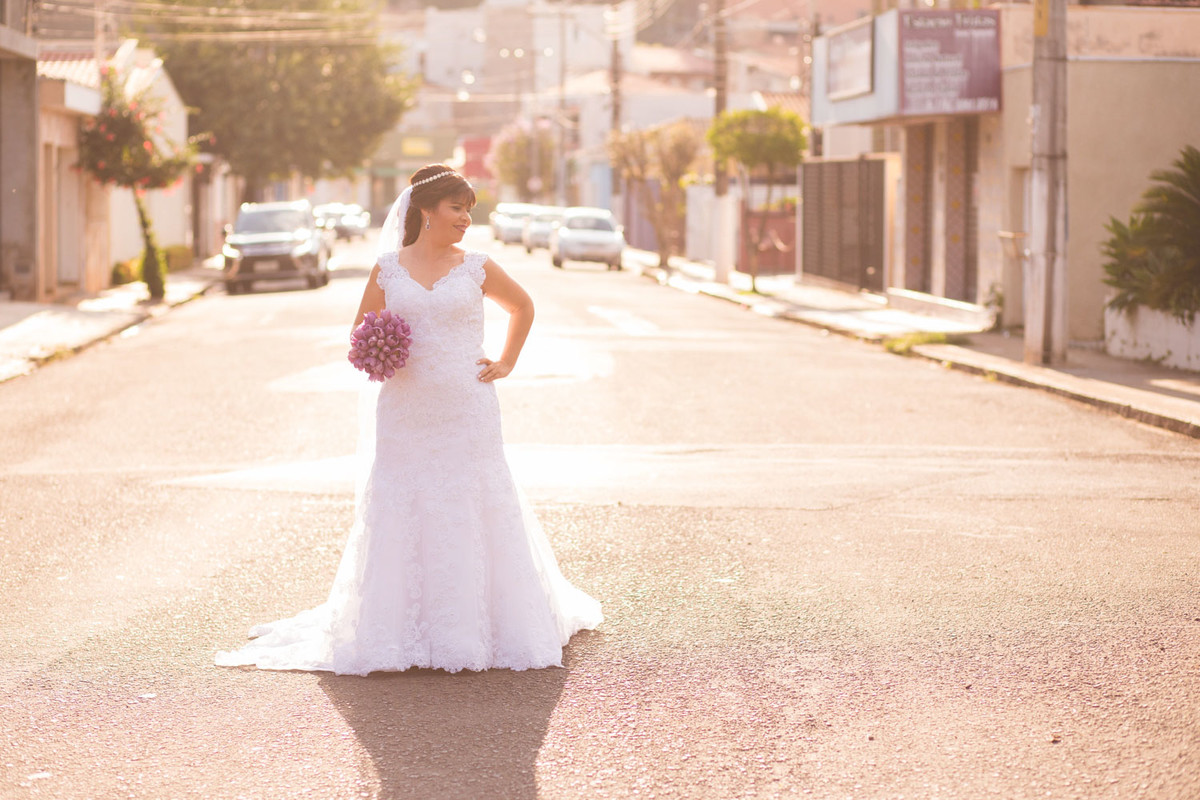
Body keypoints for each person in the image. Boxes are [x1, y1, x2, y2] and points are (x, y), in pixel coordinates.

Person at [216, 165, 603, 675]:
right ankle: (396, 629)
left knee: (472, 499)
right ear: (425, 211)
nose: (466, 218)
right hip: (404, 409)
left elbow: (523, 306)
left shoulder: (477, 267)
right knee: (403, 500)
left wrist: (506, 361)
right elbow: (361, 330)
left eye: (470, 210)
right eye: (456, 208)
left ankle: (476, 626)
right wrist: (381, 351)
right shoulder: (387, 269)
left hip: (467, 407)